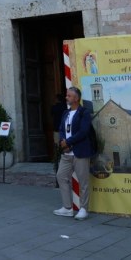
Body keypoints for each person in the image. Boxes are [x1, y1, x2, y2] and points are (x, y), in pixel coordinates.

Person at [54, 86, 93, 220]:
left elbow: (83, 132)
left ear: (76, 99)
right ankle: (67, 207)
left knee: (83, 182)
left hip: (80, 152)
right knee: (61, 176)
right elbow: (61, 129)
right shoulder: (65, 113)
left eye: (69, 96)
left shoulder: (84, 113)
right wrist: (62, 142)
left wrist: (69, 142)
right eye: (67, 95)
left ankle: (83, 209)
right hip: (66, 153)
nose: (66, 97)